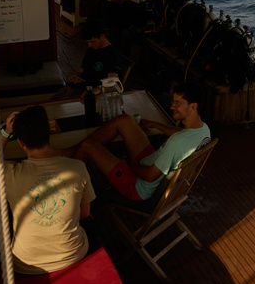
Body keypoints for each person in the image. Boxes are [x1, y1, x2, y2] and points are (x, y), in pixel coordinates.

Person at [0, 105, 95, 274]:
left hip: (25, 264)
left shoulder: (9, 174)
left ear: (20, 142)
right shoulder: (77, 168)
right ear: (49, 132)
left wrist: (6, 132)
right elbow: (84, 214)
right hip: (73, 255)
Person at [68, 82, 211, 202]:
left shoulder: (176, 143)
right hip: (151, 162)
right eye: (173, 101)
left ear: (193, 106)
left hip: (138, 186)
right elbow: (182, 134)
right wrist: (155, 124)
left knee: (87, 146)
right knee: (124, 120)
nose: (172, 106)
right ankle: (73, 150)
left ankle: (69, 196)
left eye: (178, 103)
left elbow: (149, 176)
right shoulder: (204, 131)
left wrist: (130, 165)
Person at [57, 20, 127, 99]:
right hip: (80, 87)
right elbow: (82, 73)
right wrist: (77, 77)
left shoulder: (113, 55)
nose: (89, 45)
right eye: (87, 42)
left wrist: (96, 90)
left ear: (102, 36)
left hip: (94, 93)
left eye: (92, 41)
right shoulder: (91, 51)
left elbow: (112, 82)